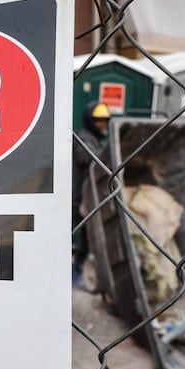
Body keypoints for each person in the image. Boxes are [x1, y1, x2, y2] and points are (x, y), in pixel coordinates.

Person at [72, 101, 111, 288]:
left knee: (86, 236)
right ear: (89, 121)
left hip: (85, 197)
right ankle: (74, 269)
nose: (102, 125)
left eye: (105, 121)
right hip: (75, 197)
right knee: (81, 235)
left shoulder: (95, 139)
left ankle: (76, 267)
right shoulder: (83, 137)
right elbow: (83, 156)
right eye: (98, 121)